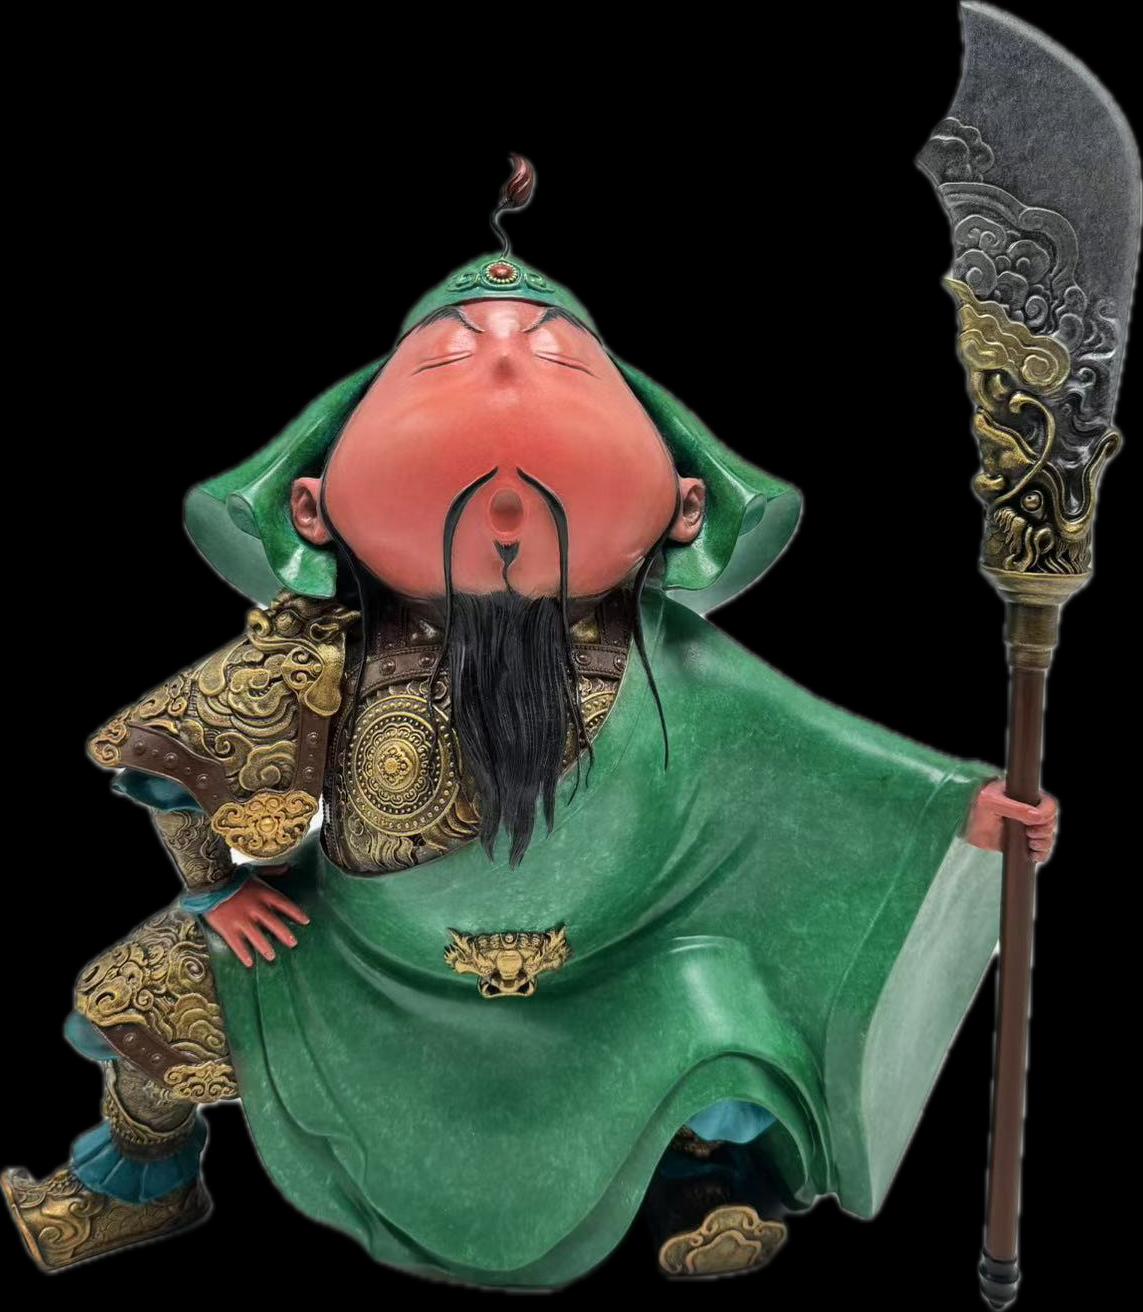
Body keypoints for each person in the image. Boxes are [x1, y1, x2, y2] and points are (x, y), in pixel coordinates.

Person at [3, 157, 1056, 1286]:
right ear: (314, 502)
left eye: (557, 365)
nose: (505, 365)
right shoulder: (320, 653)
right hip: (359, 970)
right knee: (143, 1003)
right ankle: (143, 1174)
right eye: (447, 364)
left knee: (731, 1033)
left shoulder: (672, 663)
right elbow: (175, 768)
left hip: (611, 976)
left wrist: (967, 811)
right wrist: (216, 890)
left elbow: (818, 758)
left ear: (683, 503)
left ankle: (701, 1180)